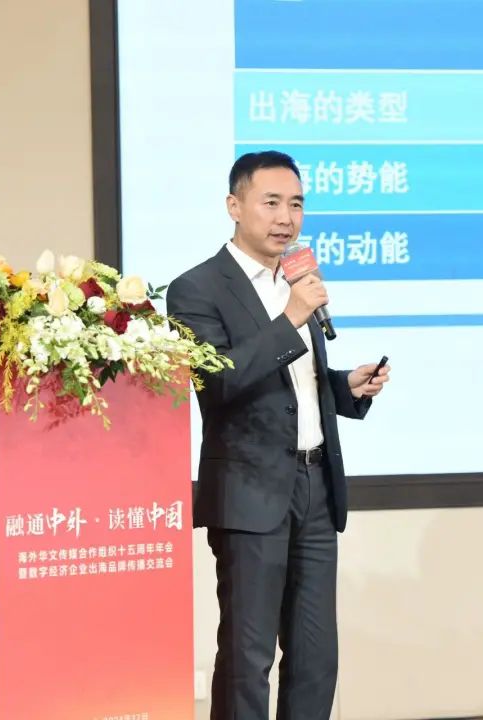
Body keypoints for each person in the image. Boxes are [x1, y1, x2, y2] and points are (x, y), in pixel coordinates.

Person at [166, 150, 391, 719]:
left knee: (317, 656)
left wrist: (345, 387)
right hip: (249, 493)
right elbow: (219, 382)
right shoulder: (197, 289)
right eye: (271, 203)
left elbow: (293, 386)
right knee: (248, 658)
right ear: (234, 206)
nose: (286, 218)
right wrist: (291, 315)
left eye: (296, 204)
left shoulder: (295, 280)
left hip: (315, 488)